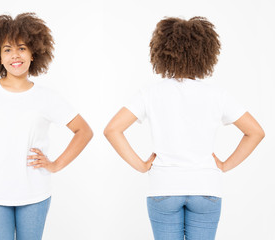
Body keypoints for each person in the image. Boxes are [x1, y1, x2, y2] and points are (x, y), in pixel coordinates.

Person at [104, 16, 264, 240]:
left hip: (164, 187)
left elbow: (112, 129)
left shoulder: (150, 93)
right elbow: (256, 132)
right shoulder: (217, 95)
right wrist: (225, 165)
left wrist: (141, 166)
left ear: (161, 53)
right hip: (206, 188)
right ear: (206, 54)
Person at [0, 12, 93, 240]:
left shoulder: (47, 97)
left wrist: (56, 165)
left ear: (33, 53)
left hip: (35, 193)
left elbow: (84, 131)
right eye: (7, 50)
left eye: (22, 48)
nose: (15, 56)